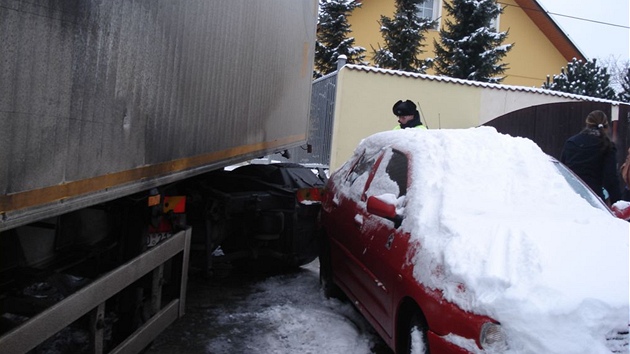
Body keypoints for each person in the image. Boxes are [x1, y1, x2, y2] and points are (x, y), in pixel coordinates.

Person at [560, 110, 621, 205]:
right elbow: (610, 178)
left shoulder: (571, 142)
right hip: (594, 199)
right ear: (606, 126)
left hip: (570, 196)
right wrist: (617, 202)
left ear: (587, 124)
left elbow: (562, 170)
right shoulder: (607, 145)